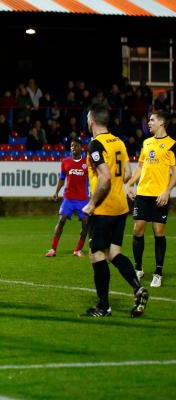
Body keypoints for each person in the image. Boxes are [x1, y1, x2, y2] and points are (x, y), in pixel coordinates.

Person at [81, 103, 148, 317]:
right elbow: (127, 174)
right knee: (114, 253)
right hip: (121, 207)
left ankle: (103, 306)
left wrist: (92, 204)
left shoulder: (95, 145)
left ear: (91, 120)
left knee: (96, 255)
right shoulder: (118, 142)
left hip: (104, 209)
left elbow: (105, 177)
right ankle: (138, 288)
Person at [126, 110, 176, 288]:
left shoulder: (171, 144)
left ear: (162, 123)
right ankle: (138, 268)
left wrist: (167, 191)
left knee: (158, 232)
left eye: (152, 120)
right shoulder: (146, 142)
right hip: (142, 194)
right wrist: (130, 184)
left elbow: (175, 173)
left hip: (159, 196)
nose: (149, 122)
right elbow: (140, 167)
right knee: (137, 230)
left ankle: (158, 272)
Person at [46, 138, 89, 257]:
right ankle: (53, 249)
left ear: (81, 148)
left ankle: (78, 250)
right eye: (71, 146)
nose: (73, 148)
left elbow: (93, 179)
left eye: (75, 146)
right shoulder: (65, 162)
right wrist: (56, 192)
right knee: (61, 221)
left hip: (82, 199)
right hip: (68, 198)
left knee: (86, 224)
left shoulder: (87, 162)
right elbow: (62, 178)